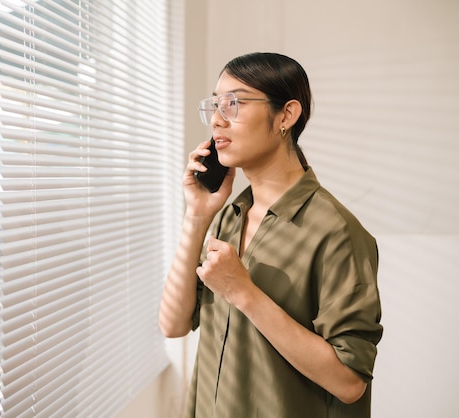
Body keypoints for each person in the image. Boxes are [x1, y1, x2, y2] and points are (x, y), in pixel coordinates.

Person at [158, 52, 383, 418]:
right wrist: (197, 216)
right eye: (215, 105)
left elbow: (349, 382)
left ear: (286, 115)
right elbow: (173, 324)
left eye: (233, 103)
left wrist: (243, 292)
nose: (217, 119)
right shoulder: (231, 217)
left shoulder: (337, 232)